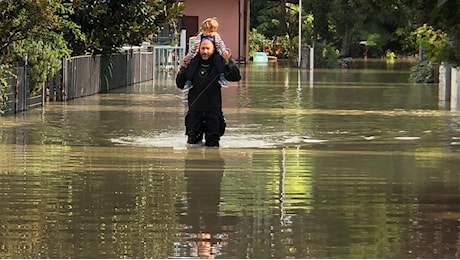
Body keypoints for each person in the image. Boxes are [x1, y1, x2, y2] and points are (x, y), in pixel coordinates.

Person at [176, 39, 241, 147]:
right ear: (198, 49)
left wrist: (229, 61)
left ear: (214, 49)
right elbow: (180, 84)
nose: (205, 51)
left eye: (208, 49)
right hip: (195, 112)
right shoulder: (192, 64)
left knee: (213, 145)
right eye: (203, 48)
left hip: (213, 112)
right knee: (192, 144)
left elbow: (236, 77)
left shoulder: (219, 64)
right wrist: (183, 68)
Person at [181, 17, 230, 91]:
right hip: (199, 54)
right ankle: (188, 81)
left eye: (211, 31)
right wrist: (188, 57)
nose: (209, 33)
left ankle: (222, 77)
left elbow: (221, 45)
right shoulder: (200, 36)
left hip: (214, 54)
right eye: (207, 30)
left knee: (219, 61)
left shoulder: (215, 36)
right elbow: (194, 48)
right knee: (193, 63)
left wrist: (224, 52)